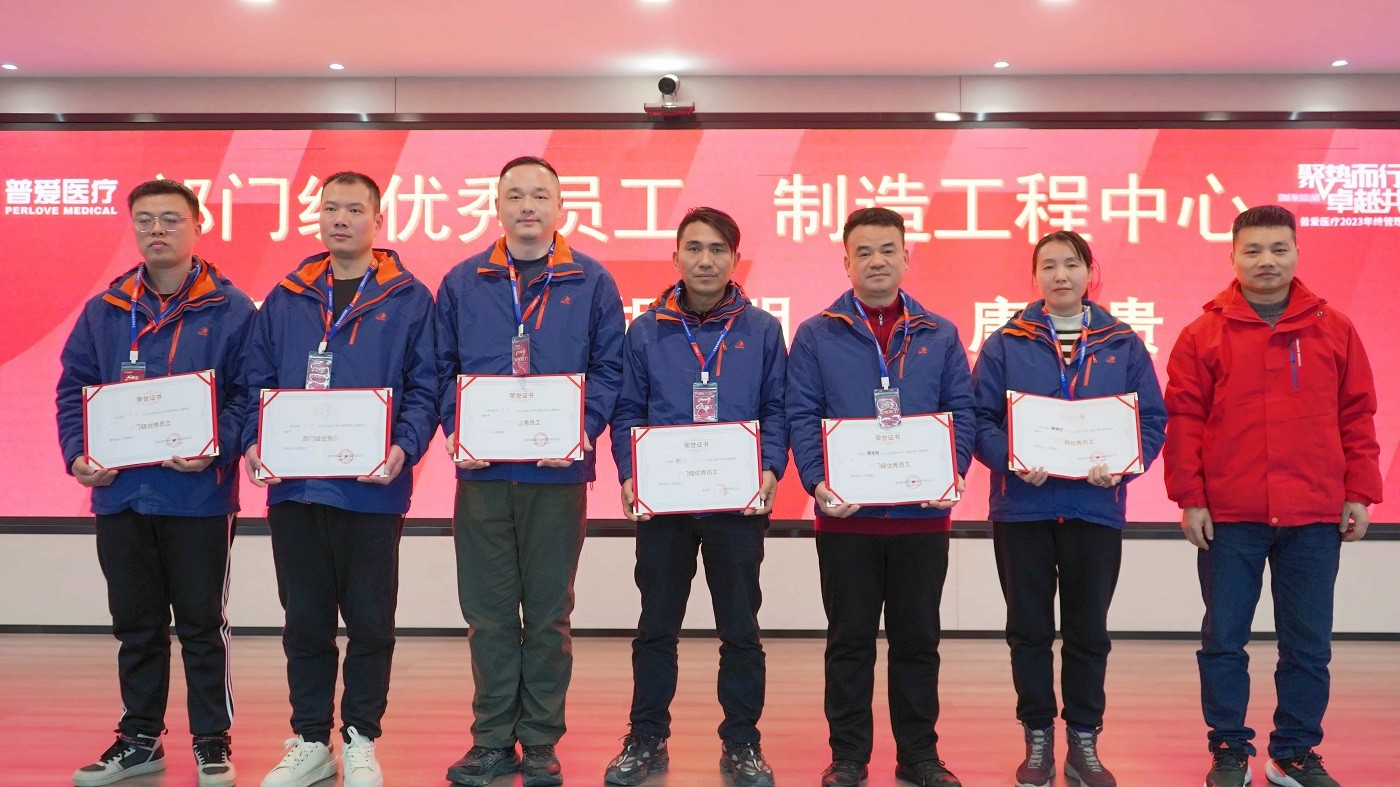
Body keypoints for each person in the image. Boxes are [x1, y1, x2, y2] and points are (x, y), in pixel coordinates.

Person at [1164, 205, 1382, 787]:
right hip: (1231, 516)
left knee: (1307, 643)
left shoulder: (1334, 328)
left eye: (1279, 249)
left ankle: (1293, 752)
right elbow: (1184, 422)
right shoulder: (1201, 334)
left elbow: (1357, 415)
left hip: (1313, 514)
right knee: (1223, 640)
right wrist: (1191, 498)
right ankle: (1228, 748)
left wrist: (1359, 491)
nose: (1267, 260)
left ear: (1297, 253)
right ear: (1232, 256)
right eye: (1253, 250)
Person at [242, 171, 438, 787]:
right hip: (296, 487)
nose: (341, 219)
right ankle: (309, 740)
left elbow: (426, 385)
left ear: (378, 220)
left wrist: (405, 445)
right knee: (304, 622)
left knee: (371, 623)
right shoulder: (287, 296)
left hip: (372, 491)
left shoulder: (410, 297)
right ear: (318, 217)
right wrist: (252, 438)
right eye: (330, 208)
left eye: (355, 209)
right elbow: (255, 379)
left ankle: (360, 739)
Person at [57, 179, 255, 787]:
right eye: (144, 220)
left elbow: (249, 396)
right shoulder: (105, 309)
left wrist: (214, 447)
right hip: (121, 493)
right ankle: (140, 738)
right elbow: (73, 391)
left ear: (198, 225)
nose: (157, 230)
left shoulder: (232, 308)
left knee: (201, 624)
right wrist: (78, 454)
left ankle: (211, 740)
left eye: (170, 218)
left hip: (198, 496)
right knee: (135, 624)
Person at [436, 156, 624, 787]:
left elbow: (610, 369)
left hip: (557, 476)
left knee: (547, 616)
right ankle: (492, 739)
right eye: (514, 195)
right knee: (488, 615)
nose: (526, 206)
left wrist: (582, 428)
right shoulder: (462, 282)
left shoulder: (592, 281)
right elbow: (438, 368)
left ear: (560, 207)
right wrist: (457, 428)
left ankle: (541, 739)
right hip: (483, 475)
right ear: (495, 206)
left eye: (540, 195)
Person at [970, 231, 1167, 787]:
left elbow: (1151, 420)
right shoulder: (1005, 342)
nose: (1061, 275)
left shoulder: (1123, 342)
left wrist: (1124, 465)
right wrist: (1010, 459)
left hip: (1093, 508)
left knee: (1088, 632)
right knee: (1028, 631)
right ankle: (1037, 738)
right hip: (1023, 509)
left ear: (1089, 272)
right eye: (1049, 266)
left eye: (1072, 264)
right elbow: (979, 419)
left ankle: (1083, 740)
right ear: (1035, 276)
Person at [786, 207, 974, 787]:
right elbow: (801, 414)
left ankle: (919, 755)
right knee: (849, 644)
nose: (876, 261)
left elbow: (961, 411)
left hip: (922, 520)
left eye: (888, 250)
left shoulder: (939, 333)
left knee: (918, 643)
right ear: (845, 262)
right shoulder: (816, 334)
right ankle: (848, 756)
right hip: (847, 520)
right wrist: (817, 482)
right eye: (863, 252)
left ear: (906, 257)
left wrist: (951, 471)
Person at [604, 208, 787, 787]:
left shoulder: (762, 329)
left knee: (740, 629)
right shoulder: (645, 330)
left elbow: (777, 408)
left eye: (717, 250)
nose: (705, 260)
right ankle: (646, 738)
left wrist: (771, 467)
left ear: (735, 259)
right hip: (666, 504)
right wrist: (630, 472)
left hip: (736, 504)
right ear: (676, 256)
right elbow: (628, 411)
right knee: (656, 626)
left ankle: (742, 743)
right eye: (694, 248)